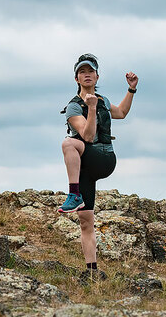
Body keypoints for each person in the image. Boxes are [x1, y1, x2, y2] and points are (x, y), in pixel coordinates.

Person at [58, 53, 139, 283]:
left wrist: (131, 90)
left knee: (68, 143)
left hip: (104, 158)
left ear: (97, 75)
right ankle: (92, 271)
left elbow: (120, 114)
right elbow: (87, 134)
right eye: (82, 72)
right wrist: (89, 108)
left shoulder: (101, 101)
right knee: (86, 219)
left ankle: (73, 194)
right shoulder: (74, 108)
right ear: (76, 78)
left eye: (90, 71)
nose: (87, 75)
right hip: (85, 168)